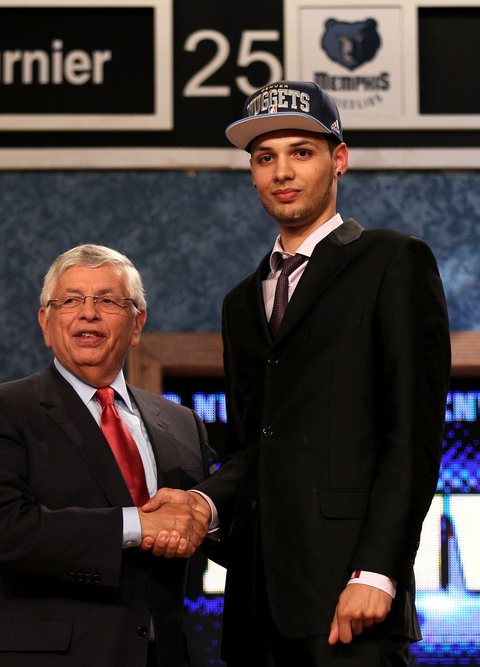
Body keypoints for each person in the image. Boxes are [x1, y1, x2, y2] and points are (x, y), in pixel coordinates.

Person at [144, 81, 452, 665]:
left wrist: (379, 571)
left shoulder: (393, 261)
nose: (282, 171)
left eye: (301, 152)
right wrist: (202, 505)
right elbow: (250, 450)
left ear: (338, 160)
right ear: (253, 174)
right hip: (255, 609)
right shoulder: (242, 301)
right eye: (265, 158)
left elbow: (411, 436)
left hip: (349, 601)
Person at [0, 244, 217, 667]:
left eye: (108, 301)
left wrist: (204, 511)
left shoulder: (183, 422)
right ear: (46, 322)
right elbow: (0, 530)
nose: (88, 313)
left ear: (137, 325)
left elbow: (212, 522)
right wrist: (137, 523)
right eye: (71, 300)